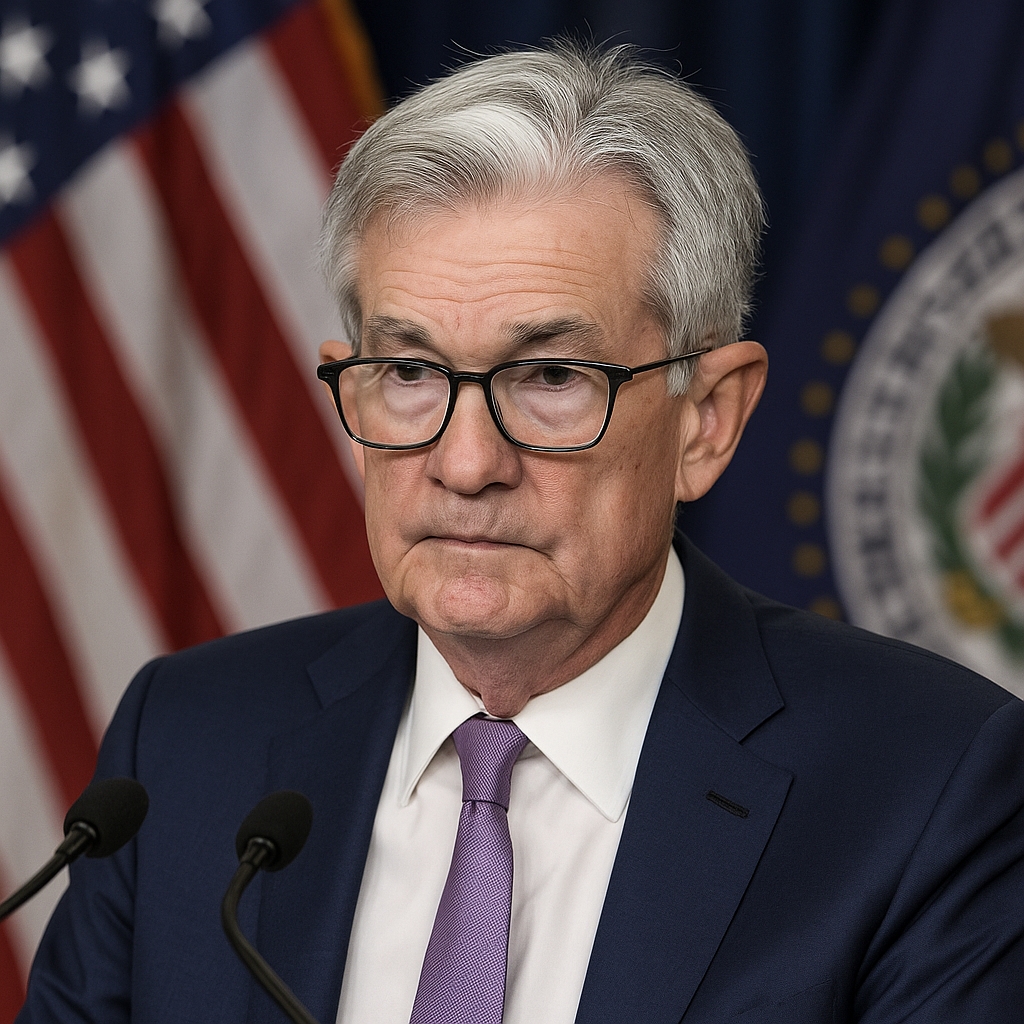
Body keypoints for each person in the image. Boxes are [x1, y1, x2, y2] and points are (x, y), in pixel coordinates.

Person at [18, 42, 1024, 1024]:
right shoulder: (184, 745)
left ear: (706, 421)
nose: (465, 464)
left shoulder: (927, 785)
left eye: (549, 377)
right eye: (409, 373)